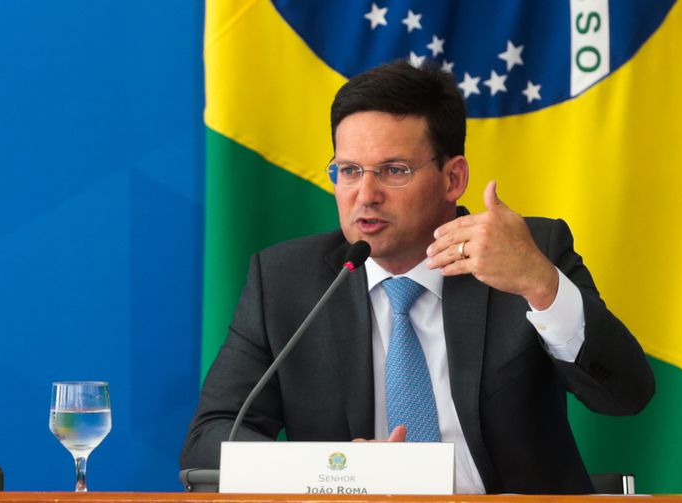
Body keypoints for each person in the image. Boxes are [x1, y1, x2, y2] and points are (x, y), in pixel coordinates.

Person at [180, 60, 654, 494]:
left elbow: (626, 395)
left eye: (394, 170)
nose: (366, 194)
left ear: (453, 179)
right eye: (349, 170)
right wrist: (335, 470)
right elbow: (210, 439)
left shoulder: (525, 256)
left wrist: (542, 285)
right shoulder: (287, 281)